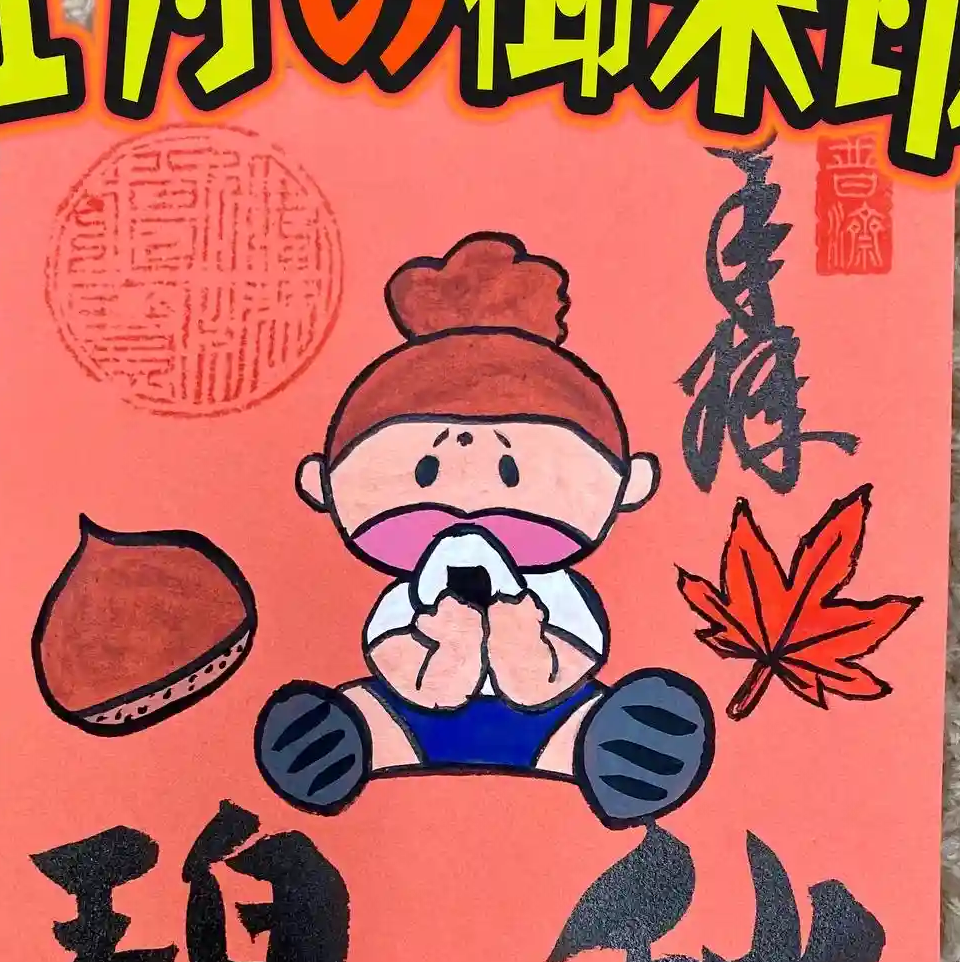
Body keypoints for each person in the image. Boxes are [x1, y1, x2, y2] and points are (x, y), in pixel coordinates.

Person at [255, 232, 713, 826]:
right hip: (409, 723)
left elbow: (548, 680)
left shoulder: (558, 595)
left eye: (512, 474)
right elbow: (410, 675)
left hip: (552, 724)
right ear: (324, 486)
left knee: (603, 727)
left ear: (628, 485)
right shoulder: (406, 599)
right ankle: (339, 747)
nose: (467, 511)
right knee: (358, 718)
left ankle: (616, 759)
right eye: (424, 474)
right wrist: (447, 648)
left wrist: (521, 638)